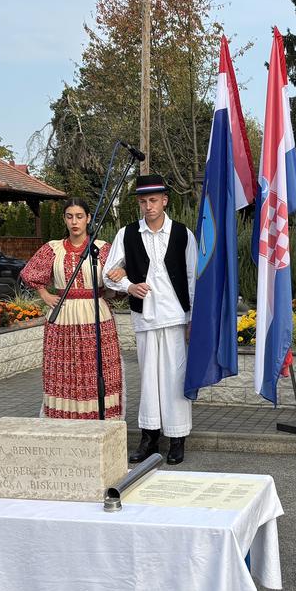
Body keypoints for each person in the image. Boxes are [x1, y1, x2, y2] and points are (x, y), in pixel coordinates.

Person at [104, 174, 197, 465]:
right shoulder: (127, 234)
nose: (148, 206)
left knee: (175, 377)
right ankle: (149, 436)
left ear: (165, 200)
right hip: (144, 316)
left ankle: (178, 438)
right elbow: (110, 272)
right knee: (149, 378)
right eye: (143, 201)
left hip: (175, 316)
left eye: (153, 200)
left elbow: (193, 277)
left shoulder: (182, 234)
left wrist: (192, 318)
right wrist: (129, 285)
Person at [19, 197, 124, 420]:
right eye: (69, 217)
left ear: (88, 219)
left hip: (96, 313)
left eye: (79, 216)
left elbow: (118, 278)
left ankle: (100, 419)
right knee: (65, 369)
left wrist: (122, 274)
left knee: (96, 369)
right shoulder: (53, 249)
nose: (74, 222)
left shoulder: (102, 248)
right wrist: (44, 294)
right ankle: (64, 421)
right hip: (62, 314)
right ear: (64, 220)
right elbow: (29, 273)